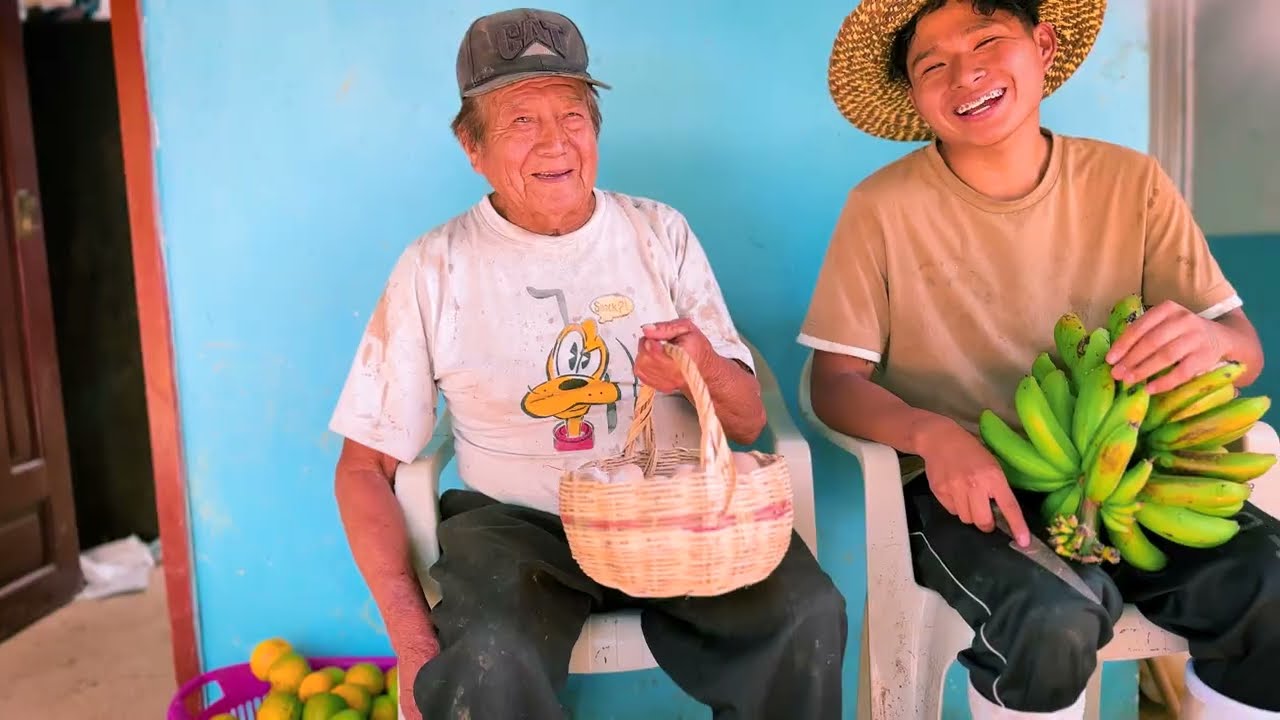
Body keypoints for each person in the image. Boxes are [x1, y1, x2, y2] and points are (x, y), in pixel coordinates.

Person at [329, 8, 847, 719]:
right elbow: (364, 470)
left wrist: (703, 370)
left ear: (596, 129)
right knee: (487, 657)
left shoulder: (659, 232)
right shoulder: (434, 267)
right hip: (518, 530)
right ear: (470, 144)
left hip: (678, 513)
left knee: (806, 614)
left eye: (573, 114)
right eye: (519, 121)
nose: (555, 142)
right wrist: (413, 640)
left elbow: (749, 419)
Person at [800, 0, 1276, 718]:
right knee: (1053, 621)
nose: (966, 74)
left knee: (1269, 589)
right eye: (933, 65)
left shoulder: (1132, 183)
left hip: (1136, 476)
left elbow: (1243, 355)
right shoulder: (882, 208)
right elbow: (834, 383)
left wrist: (1211, 344)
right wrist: (932, 435)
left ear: (1043, 45)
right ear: (914, 91)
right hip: (968, 494)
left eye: (988, 41)